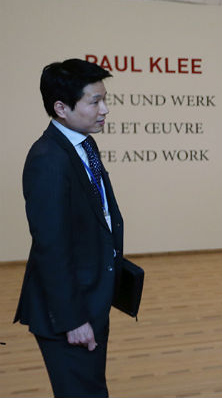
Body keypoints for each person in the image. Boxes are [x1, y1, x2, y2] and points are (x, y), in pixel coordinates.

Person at [14, 59, 124, 397]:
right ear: (61, 107)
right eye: (94, 101)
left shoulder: (82, 144)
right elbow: (51, 246)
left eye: (105, 99)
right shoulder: (48, 158)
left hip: (90, 298)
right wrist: (72, 319)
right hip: (68, 313)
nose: (104, 109)